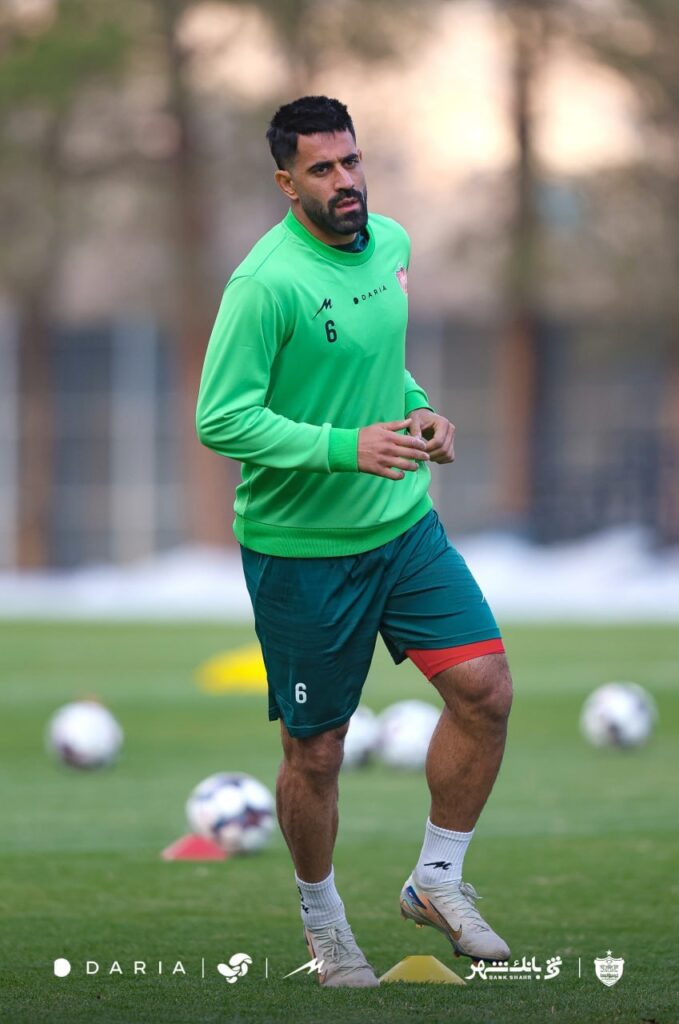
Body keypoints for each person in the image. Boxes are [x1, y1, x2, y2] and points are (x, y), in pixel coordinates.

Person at [196, 95, 513, 988]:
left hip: (403, 527)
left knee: (485, 690)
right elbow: (220, 418)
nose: (345, 181)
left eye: (352, 161)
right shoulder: (265, 284)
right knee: (318, 753)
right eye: (323, 169)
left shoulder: (393, 246)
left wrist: (418, 410)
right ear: (285, 182)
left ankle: (436, 880)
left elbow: (378, 366)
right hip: (301, 551)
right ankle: (323, 921)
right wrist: (345, 446)